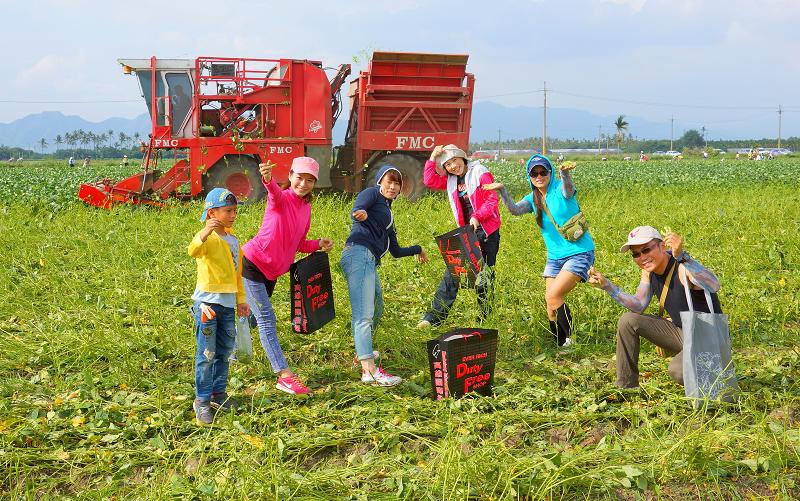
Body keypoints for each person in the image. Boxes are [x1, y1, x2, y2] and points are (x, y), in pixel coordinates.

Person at [241, 158, 333, 395]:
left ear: (314, 183)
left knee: (251, 318)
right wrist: (267, 176)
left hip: (272, 272)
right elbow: (271, 189)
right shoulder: (280, 199)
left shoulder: (306, 209)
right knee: (266, 319)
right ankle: (284, 375)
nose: (303, 183)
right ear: (290, 176)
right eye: (300, 177)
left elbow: (299, 243)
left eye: (309, 180)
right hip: (252, 263)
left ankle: (226, 341)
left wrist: (318, 244)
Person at [587, 226, 722, 389]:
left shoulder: (682, 268)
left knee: (678, 371)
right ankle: (626, 387)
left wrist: (683, 257)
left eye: (646, 250)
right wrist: (608, 286)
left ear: (662, 246)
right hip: (683, 333)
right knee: (628, 320)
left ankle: (716, 372)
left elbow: (713, 284)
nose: (642, 257)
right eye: (636, 254)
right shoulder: (648, 273)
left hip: (707, 337)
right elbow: (638, 305)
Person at [484, 154, 594, 347]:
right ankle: (559, 344)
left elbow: (568, 191)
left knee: (554, 296)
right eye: (534, 173)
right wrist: (502, 190)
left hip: (579, 252)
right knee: (550, 306)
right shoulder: (532, 199)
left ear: (550, 172)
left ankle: (571, 340)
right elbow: (515, 210)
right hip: (555, 257)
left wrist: (565, 173)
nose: (539, 176)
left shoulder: (560, 189)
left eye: (543, 172)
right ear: (529, 176)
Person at [340, 165, 429, 386]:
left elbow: (396, 251)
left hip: (369, 261)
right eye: (389, 181)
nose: (392, 186)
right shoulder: (372, 193)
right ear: (380, 182)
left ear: (400, 189)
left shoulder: (388, 216)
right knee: (364, 314)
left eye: (396, 183)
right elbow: (358, 209)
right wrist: (359, 214)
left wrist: (417, 248)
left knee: (376, 308)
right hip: (358, 254)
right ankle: (369, 371)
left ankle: (363, 352)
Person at [417, 144, 501, 328]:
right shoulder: (450, 180)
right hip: (466, 233)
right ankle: (432, 319)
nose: (453, 166)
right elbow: (429, 180)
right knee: (453, 273)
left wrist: (477, 216)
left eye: (454, 160)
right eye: (448, 164)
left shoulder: (479, 171)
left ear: (462, 157)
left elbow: (492, 199)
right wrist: (433, 158)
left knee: (483, 277)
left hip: (486, 232)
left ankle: (485, 319)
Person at [187, 188, 250, 425]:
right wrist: (204, 231)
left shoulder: (233, 240)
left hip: (227, 305)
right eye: (228, 211)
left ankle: (218, 394)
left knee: (224, 351)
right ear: (212, 212)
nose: (233, 215)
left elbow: (237, 274)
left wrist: (241, 300)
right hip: (207, 305)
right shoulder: (206, 238)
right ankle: (201, 400)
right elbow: (192, 250)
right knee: (206, 353)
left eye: (234, 211)